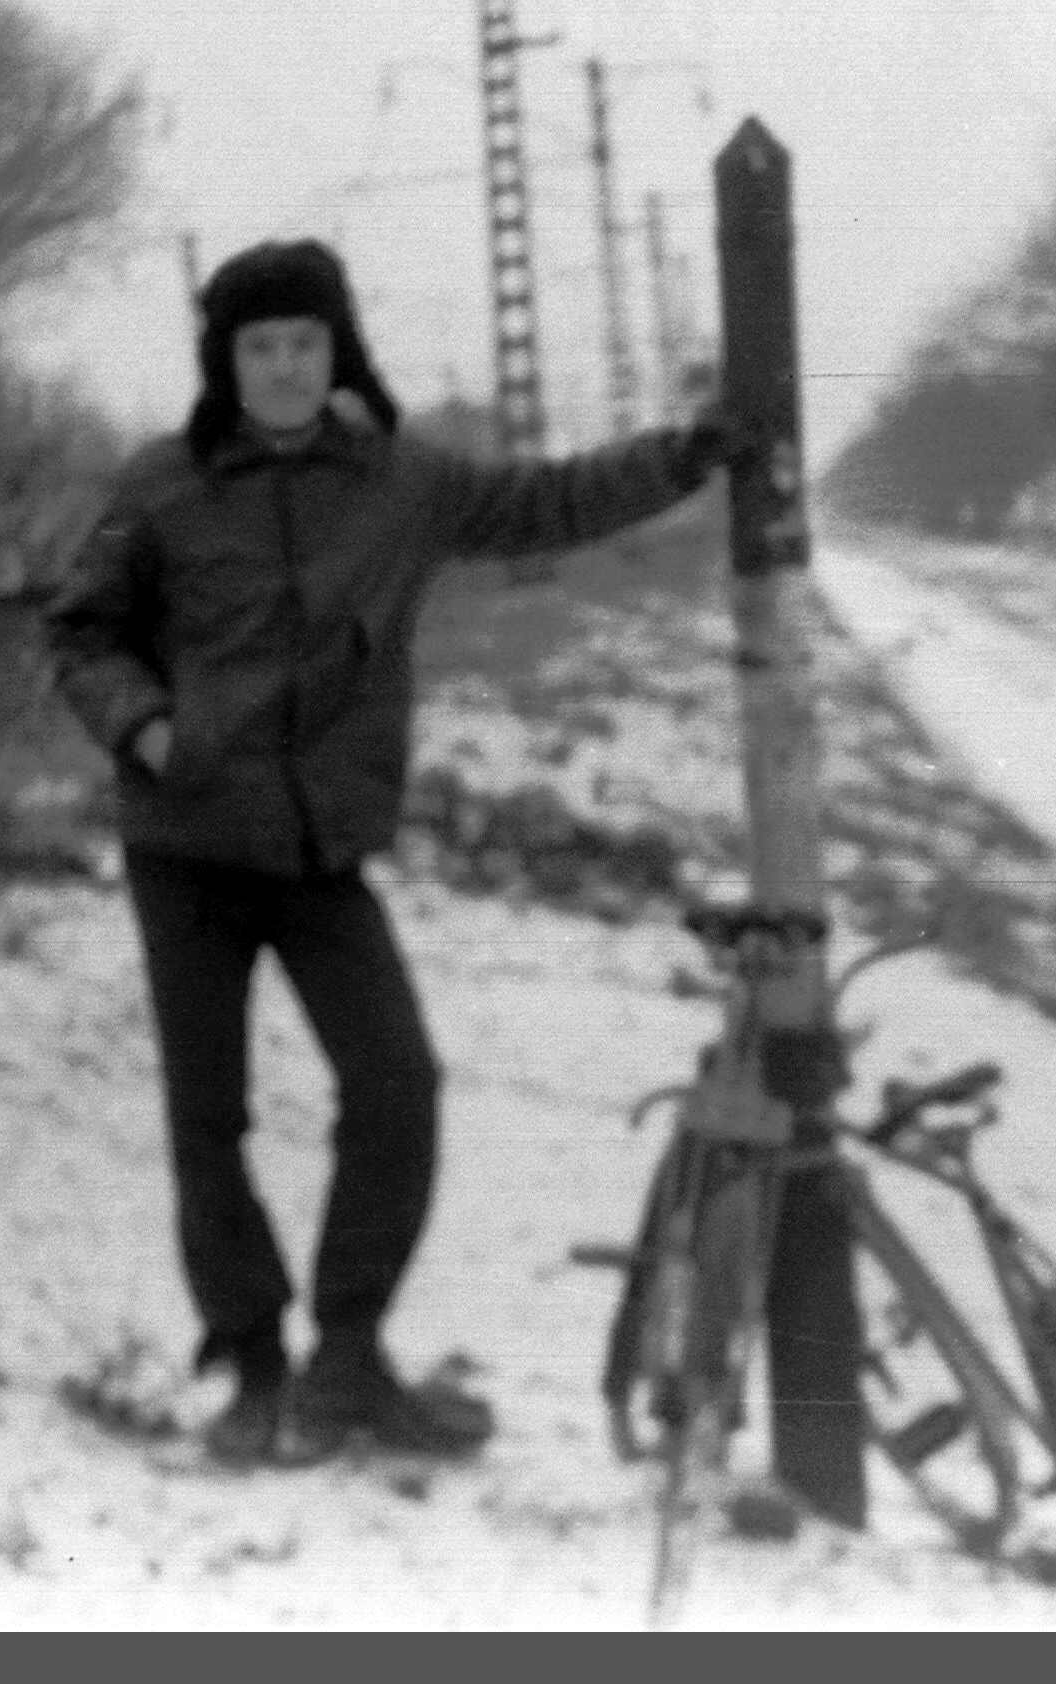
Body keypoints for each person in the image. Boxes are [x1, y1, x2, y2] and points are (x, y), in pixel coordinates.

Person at [48, 237, 749, 1467]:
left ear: (338, 351)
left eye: (304, 343)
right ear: (224, 360)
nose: (283, 367)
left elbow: (548, 501)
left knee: (396, 1087)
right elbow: (82, 630)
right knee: (207, 1115)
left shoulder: (400, 481)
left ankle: (348, 1354)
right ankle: (251, 1364)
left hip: (320, 852)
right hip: (188, 846)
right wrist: (148, 728)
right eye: (260, 345)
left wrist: (685, 455)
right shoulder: (163, 484)